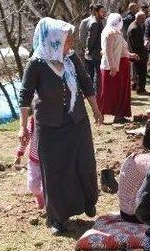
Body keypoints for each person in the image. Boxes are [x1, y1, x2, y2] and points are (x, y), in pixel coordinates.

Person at [18, 17, 104, 234]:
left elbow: (85, 83)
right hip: (50, 125)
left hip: (77, 120)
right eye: (67, 41)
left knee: (82, 162)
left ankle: (87, 201)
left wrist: (95, 108)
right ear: (53, 41)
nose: (71, 45)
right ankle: (58, 218)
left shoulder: (71, 59)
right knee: (55, 172)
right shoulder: (36, 64)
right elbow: (25, 96)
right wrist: (22, 127)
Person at [98, 13, 140, 123]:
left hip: (122, 65)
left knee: (121, 91)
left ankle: (119, 115)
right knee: (111, 92)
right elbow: (108, 51)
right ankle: (100, 115)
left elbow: (120, 49)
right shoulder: (109, 33)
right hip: (115, 66)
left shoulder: (117, 33)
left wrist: (130, 55)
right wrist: (113, 66)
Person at [15, 111, 44, 209]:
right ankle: (38, 195)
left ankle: (47, 200)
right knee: (33, 185)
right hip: (34, 162)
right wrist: (19, 154)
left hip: (49, 163)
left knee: (49, 186)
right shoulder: (32, 123)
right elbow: (24, 140)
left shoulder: (55, 123)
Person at [127, 11, 150, 95]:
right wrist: (146, 46)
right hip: (138, 54)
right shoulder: (134, 28)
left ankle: (135, 86)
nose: (144, 20)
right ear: (137, 18)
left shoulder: (138, 25)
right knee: (141, 72)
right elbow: (137, 44)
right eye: (142, 18)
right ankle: (141, 89)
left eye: (144, 18)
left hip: (138, 53)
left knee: (137, 72)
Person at [85, 4, 106, 92]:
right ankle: (96, 94)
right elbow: (91, 39)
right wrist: (88, 50)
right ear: (95, 12)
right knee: (97, 75)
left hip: (96, 53)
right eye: (102, 12)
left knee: (97, 74)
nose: (104, 13)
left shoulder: (97, 21)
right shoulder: (95, 23)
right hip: (95, 53)